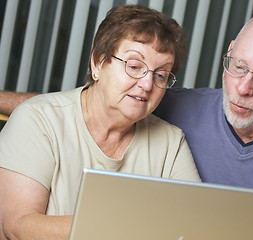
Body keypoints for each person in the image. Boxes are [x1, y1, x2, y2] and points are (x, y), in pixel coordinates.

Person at [0, 11, 253, 240]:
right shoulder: (50, 118)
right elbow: (72, 107)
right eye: (237, 66)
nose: (243, 88)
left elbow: (189, 222)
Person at [0, 5, 200, 240]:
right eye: (134, 66)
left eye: (160, 75)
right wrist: (121, 226)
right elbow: (16, 227)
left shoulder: (171, 143)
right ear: (98, 62)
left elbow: (195, 227)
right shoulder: (38, 120)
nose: (147, 85)